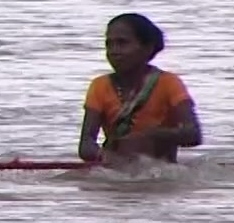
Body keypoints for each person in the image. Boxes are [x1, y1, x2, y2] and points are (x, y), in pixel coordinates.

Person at [78, 12, 203, 165]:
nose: (114, 51)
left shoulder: (169, 83)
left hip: (162, 173)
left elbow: (193, 134)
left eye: (122, 43)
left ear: (147, 48)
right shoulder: (99, 86)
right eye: (109, 44)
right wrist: (107, 158)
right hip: (114, 173)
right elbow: (86, 145)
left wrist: (152, 136)